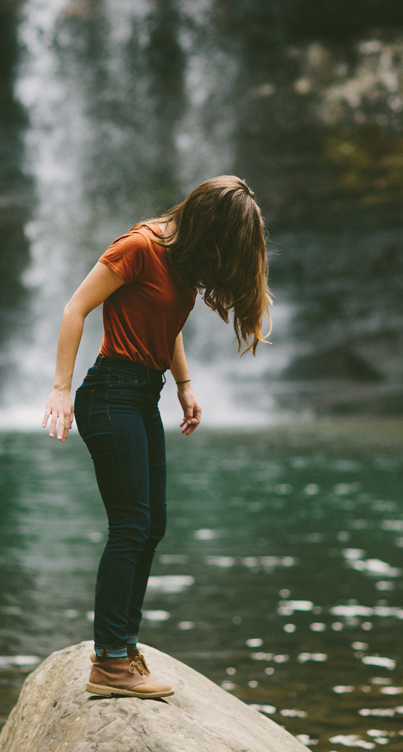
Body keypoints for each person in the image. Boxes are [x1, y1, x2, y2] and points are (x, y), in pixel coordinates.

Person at [42, 175, 271, 698]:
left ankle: (124, 644)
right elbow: (75, 308)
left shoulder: (184, 258)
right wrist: (59, 389)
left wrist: (185, 385)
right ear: (211, 226)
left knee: (152, 526)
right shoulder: (139, 246)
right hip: (108, 393)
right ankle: (109, 663)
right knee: (130, 526)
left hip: (143, 395)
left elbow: (167, 323)